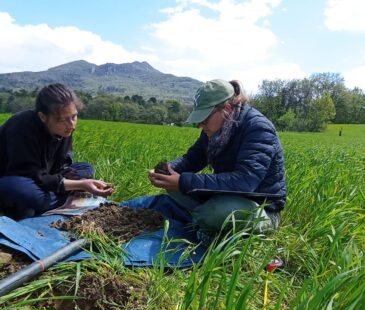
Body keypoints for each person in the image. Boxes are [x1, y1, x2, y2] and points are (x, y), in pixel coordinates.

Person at [148, 79, 286, 240]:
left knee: (219, 211)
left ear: (226, 108)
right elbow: (191, 160)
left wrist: (183, 181)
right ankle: (207, 220)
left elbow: (245, 182)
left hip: (261, 209)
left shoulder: (258, 128)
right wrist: (166, 171)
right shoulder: (213, 130)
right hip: (224, 196)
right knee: (172, 185)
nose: (200, 124)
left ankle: (207, 221)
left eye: (205, 118)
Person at [0, 83, 114, 219]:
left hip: (45, 176)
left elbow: (62, 165)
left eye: (74, 117)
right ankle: (64, 197)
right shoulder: (21, 127)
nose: (71, 125)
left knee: (86, 168)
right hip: (16, 177)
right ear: (43, 117)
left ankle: (49, 200)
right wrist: (81, 184)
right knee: (16, 189)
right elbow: (31, 174)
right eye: (62, 120)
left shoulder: (66, 130)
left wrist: (74, 181)